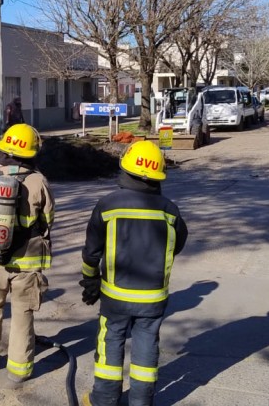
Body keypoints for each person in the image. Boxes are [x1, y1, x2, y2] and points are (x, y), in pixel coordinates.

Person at [80, 140, 188, 406]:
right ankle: (141, 401)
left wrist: (91, 279)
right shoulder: (170, 211)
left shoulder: (107, 205)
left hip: (115, 296)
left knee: (110, 342)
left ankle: (103, 400)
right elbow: (178, 244)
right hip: (153, 297)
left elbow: (91, 251)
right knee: (147, 345)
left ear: (126, 169)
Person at [0, 123, 55, 383]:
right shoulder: (38, 181)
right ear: (33, 152)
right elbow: (49, 218)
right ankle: (19, 371)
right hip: (27, 264)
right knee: (22, 316)